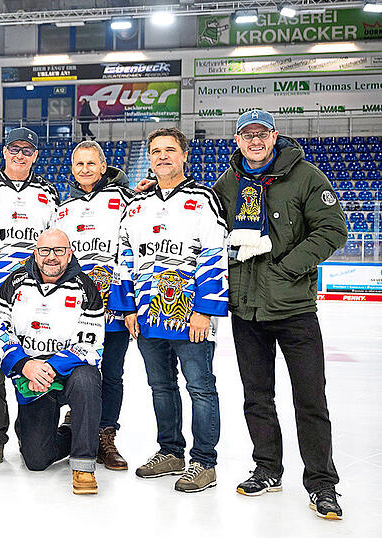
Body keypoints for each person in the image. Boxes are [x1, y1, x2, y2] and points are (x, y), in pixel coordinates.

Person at [212, 109, 347, 520]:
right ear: (237, 140)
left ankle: (322, 484)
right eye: (246, 135)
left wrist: (285, 265)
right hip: (246, 309)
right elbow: (199, 221)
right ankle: (268, 469)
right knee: (257, 398)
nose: (254, 141)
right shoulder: (227, 183)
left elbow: (332, 229)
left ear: (274, 136)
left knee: (310, 399)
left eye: (262, 134)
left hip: (294, 308)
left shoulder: (306, 176)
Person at [110, 127, 228, 493]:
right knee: (161, 386)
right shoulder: (137, 205)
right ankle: (170, 451)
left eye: (170, 150)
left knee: (200, 387)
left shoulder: (203, 199)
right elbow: (124, 257)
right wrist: (127, 308)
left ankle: (204, 462)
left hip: (190, 313)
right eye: (156, 151)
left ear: (184, 156)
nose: (162, 156)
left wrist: (204, 310)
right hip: (147, 314)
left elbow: (214, 254)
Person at [0, 126, 61, 464]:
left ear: (35, 155)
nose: (20, 156)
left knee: (29, 358)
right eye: (14, 149)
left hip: (35, 293)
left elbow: (58, 241)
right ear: (4, 151)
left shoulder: (48, 192)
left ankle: (32, 429)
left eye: (27, 151)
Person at [0, 229, 105, 494]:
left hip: (68, 372)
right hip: (30, 377)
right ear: (35, 253)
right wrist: (24, 365)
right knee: (36, 460)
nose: (51, 257)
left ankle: (83, 464)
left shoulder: (86, 287)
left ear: (69, 253)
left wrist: (51, 366)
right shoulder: (14, 282)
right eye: (44, 251)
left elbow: (90, 344)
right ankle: (69, 430)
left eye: (58, 251)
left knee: (88, 379)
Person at [52, 140, 132, 471]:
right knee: (78, 367)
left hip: (114, 306)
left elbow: (129, 251)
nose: (85, 169)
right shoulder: (64, 209)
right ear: (72, 169)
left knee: (111, 372)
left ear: (103, 167)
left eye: (91, 163)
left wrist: (125, 302)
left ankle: (105, 434)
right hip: (74, 309)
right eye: (78, 164)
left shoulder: (125, 202)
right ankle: (76, 419)